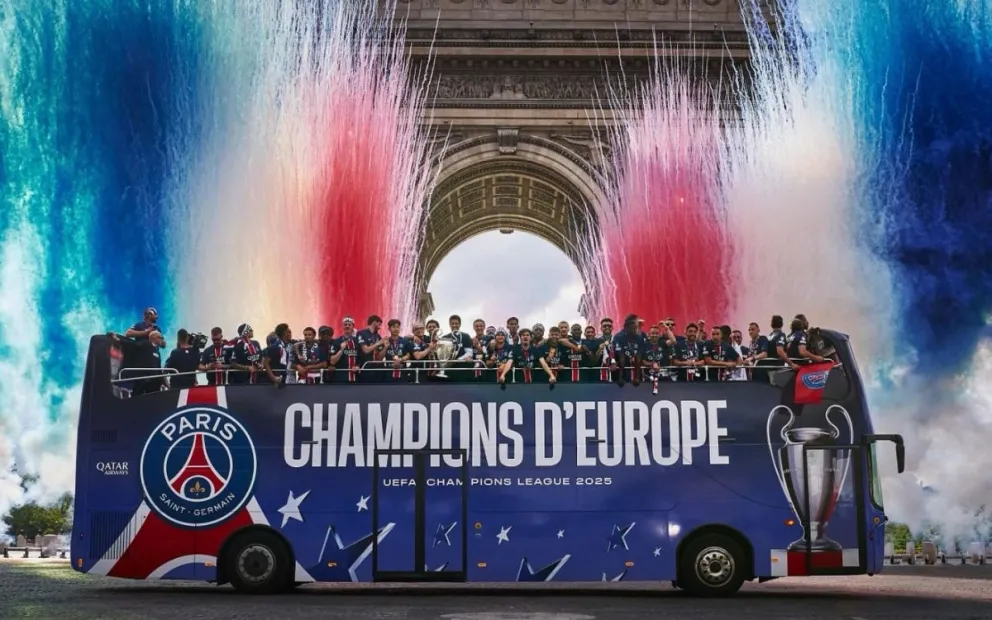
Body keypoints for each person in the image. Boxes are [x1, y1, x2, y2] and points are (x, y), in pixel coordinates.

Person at [115, 330, 165, 395]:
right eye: (161, 338)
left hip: (153, 380)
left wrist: (162, 381)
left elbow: (159, 368)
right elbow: (133, 344)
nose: (162, 340)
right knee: (138, 393)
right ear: (154, 338)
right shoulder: (145, 344)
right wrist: (118, 339)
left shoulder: (157, 351)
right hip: (143, 377)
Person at [611, 315, 644, 387]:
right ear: (628, 326)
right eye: (635, 326)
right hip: (621, 371)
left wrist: (637, 378)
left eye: (637, 326)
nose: (637, 328)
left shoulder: (640, 338)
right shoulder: (618, 337)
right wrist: (620, 378)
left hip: (634, 370)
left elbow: (639, 357)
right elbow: (620, 356)